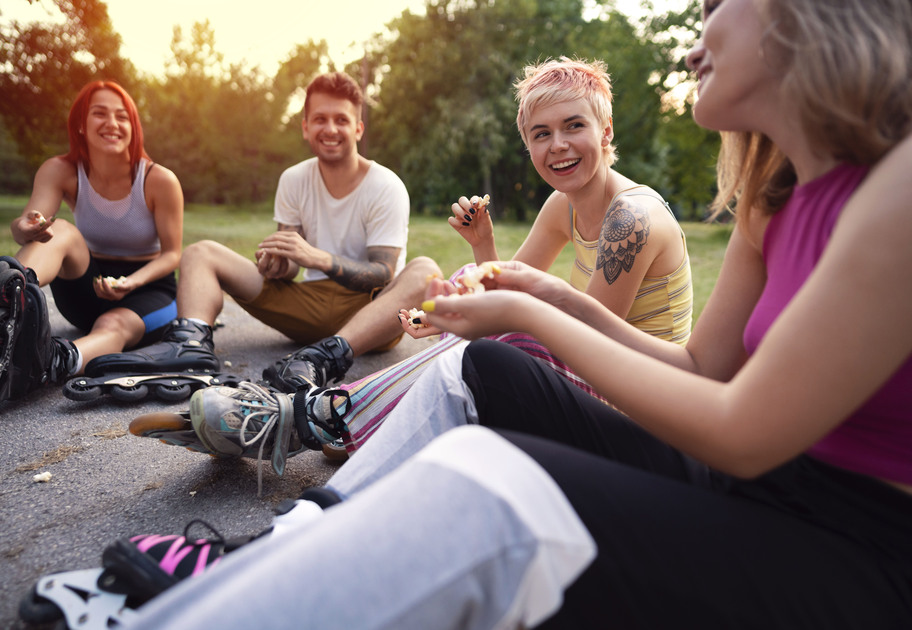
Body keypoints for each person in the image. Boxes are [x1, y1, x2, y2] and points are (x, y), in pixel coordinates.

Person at [60, 0, 912, 627]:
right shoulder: (773, 197)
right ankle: (269, 554)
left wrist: (535, 313)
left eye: (720, 4)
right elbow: (702, 367)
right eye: (538, 134)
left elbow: (741, 427)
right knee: (479, 368)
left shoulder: (892, 189)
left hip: (859, 547)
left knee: (487, 486)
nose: (697, 38)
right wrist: (527, 294)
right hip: (746, 477)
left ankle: (190, 609)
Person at [132, 58, 694, 479]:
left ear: (607, 130)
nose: (559, 146)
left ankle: (306, 419)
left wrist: (482, 319)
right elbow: (502, 287)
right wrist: (473, 267)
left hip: (640, 406)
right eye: (541, 134)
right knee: (483, 340)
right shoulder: (561, 205)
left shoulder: (631, 218)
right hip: (602, 379)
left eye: (574, 126)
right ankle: (332, 420)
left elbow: (589, 340)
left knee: (501, 346)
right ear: (526, 144)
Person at [86, 71, 431, 385]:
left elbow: (384, 274)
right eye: (320, 119)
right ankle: (190, 346)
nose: (330, 129)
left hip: (374, 315)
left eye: (341, 120)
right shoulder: (295, 179)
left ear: (358, 128)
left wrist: (320, 259)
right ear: (305, 126)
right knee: (200, 253)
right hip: (310, 308)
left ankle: (327, 357)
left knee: (425, 269)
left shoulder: (386, 186)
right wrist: (279, 265)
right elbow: (292, 266)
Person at [0, 81, 183, 402]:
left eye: (122, 117)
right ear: (81, 125)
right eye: (100, 114)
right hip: (88, 283)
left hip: (149, 289)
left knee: (111, 323)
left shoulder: (159, 180)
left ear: (133, 127)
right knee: (62, 231)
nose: (112, 124)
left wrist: (129, 282)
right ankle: (10, 299)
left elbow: (172, 255)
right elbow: (26, 224)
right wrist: (26, 228)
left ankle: (53, 362)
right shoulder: (60, 170)